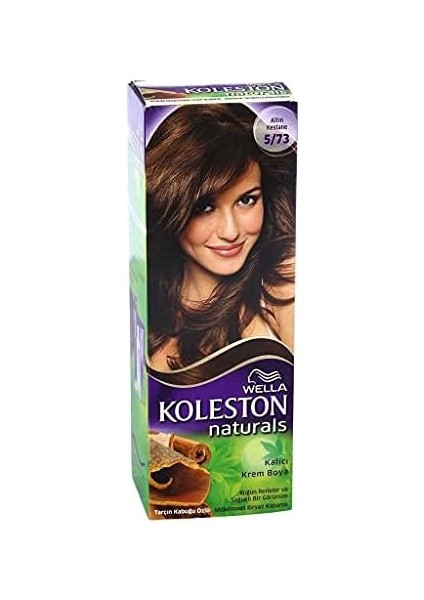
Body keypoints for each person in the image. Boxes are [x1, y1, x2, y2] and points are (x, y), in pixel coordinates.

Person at [146, 103, 296, 371]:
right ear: (170, 208)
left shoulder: (282, 280)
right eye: (204, 207)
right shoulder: (146, 302)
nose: (231, 232)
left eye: (247, 200)